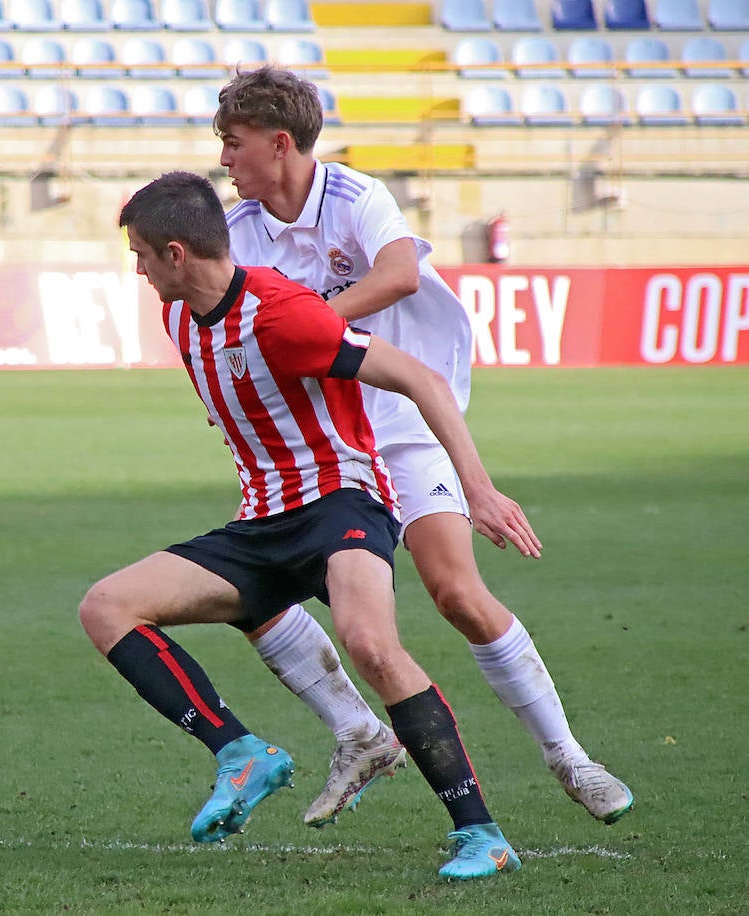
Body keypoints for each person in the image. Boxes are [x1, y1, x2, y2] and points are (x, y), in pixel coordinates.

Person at [82, 170, 537, 879]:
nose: (135, 268)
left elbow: (423, 379)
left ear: (176, 253)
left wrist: (476, 489)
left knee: (371, 646)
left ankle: (482, 834)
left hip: (342, 504)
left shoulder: (284, 313)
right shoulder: (180, 318)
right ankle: (241, 753)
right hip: (263, 521)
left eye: (141, 253)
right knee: (107, 606)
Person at [213, 66, 633, 826]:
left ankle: (569, 755)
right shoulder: (236, 230)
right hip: (316, 447)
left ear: (280, 144)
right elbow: (230, 329)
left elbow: (400, 274)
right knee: (255, 591)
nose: (223, 158)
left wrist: (310, 324)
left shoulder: (355, 197)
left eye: (232, 142)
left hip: (402, 427)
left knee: (456, 592)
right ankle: (357, 733)